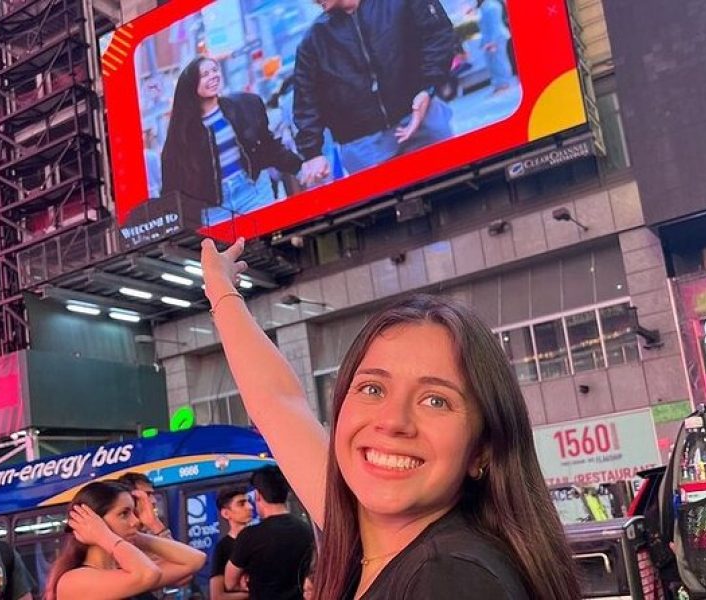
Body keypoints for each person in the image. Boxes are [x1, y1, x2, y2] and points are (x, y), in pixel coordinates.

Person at [200, 237, 581, 599]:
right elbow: (278, 402)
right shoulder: (372, 542)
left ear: (481, 451)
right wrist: (220, 289)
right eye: (372, 389)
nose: (392, 421)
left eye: (435, 400)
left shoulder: (447, 576)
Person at [295, 0, 455, 185]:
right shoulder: (314, 40)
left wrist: (427, 90)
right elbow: (305, 100)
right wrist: (312, 153)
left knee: (452, 190)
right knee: (384, 210)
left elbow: (439, 36)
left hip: (422, 120)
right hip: (364, 146)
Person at [160, 57, 302, 226]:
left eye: (215, 70)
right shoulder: (182, 132)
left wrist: (300, 167)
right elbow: (173, 181)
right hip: (216, 209)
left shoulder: (245, 105)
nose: (213, 76)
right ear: (192, 84)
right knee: (231, 252)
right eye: (205, 74)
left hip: (254, 190)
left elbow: (268, 146)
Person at [45, 481, 206, 600]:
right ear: (95, 521)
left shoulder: (124, 571)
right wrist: (105, 536)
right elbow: (148, 574)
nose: (136, 521)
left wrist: (136, 536)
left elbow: (194, 560)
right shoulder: (73, 581)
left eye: (133, 513)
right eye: (124, 514)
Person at [224, 468, 313, 600]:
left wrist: (246, 581)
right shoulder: (306, 530)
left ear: (258, 495)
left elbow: (229, 583)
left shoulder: (249, 536)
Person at [209, 487, 253, 600]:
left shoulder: (261, 538)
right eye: (241, 504)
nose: (249, 507)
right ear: (226, 513)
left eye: (249, 502)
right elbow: (217, 596)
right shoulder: (222, 548)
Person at [116, 472, 171, 539]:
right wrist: (155, 525)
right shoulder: (123, 534)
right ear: (132, 498)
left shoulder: (149, 532)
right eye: (147, 494)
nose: (154, 501)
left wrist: (154, 524)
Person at [477, 0, 513, 94]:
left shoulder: (492, 5)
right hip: (491, 38)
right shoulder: (487, 5)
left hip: (496, 37)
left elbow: (494, 25)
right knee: (493, 62)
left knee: (499, 60)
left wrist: (492, 42)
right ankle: (499, 84)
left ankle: (504, 83)